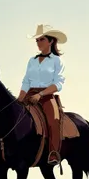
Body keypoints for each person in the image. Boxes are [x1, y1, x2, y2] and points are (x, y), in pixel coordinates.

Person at [17, 24, 66, 166]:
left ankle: (53, 153)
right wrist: (20, 98)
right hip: (29, 94)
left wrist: (40, 94)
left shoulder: (57, 61)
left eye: (41, 39)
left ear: (51, 41)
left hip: (47, 95)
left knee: (54, 120)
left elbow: (58, 84)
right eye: (37, 40)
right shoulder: (32, 61)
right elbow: (26, 81)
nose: (38, 43)